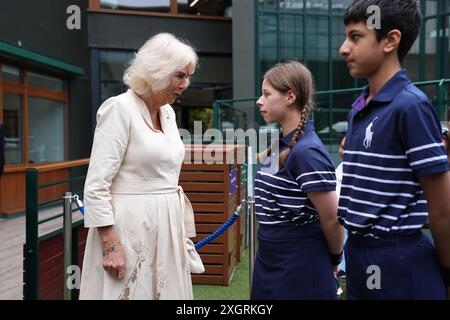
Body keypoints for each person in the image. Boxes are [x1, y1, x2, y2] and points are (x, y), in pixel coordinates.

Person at [338, 0, 450, 299]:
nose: (343, 48)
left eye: (356, 36)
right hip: (359, 254)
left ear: (390, 40)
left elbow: (441, 209)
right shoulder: (359, 107)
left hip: (399, 258)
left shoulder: (410, 105)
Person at [79, 33, 199, 300]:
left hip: (166, 226)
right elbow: (96, 185)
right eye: (179, 75)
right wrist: (111, 245)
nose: (184, 84)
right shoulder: (119, 109)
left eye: (187, 77)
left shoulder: (167, 112)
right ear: (158, 71)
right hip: (129, 228)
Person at [251, 60, 344, 300]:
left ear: (290, 97)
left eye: (266, 94)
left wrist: (334, 258)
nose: (259, 101)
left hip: (300, 265)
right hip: (270, 260)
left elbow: (332, 218)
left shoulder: (308, 151)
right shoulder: (278, 145)